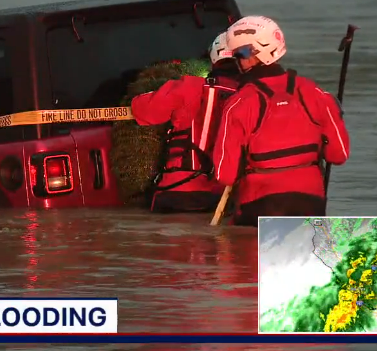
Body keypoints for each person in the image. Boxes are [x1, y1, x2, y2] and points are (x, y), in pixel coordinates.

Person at [212, 16, 350, 226]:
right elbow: (339, 154)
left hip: (258, 207)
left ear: (252, 56)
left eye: (240, 54)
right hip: (311, 203)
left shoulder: (238, 103)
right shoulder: (316, 93)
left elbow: (225, 175)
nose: (239, 62)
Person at [131, 32, 242, 213]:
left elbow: (142, 110)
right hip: (225, 198)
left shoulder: (189, 86)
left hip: (178, 191)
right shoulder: (250, 95)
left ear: (214, 57)